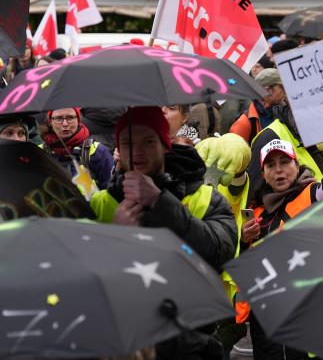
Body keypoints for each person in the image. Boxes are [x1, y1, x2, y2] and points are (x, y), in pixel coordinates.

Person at [91, 107, 237, 359]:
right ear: (117, 150)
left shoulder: (205, 197)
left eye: (148, 142)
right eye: (127, 143)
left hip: (193, 345)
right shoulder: (99, 204)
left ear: (165, 145)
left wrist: (161, 203)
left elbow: (219, 253)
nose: (136, 151)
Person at [241, 138, 323, 360]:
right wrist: (244, 241)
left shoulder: (314, 195)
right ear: (263, 174)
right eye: (271, 165)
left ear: (297, 165)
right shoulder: (258, 212)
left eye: (285, 162)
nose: (279, 170)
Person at [42, 108, 114, 190]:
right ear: (50, 122)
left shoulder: (97, 151)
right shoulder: (40, 151)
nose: (65, 124)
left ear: (78, 120)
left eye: (70, 118)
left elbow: (110, 193)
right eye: (59, 119)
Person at [229, 68, 285, 144]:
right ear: (268, 90)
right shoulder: (244, 123)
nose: (285, 91)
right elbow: (235, 153)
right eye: (282, 87)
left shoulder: (286, 111)